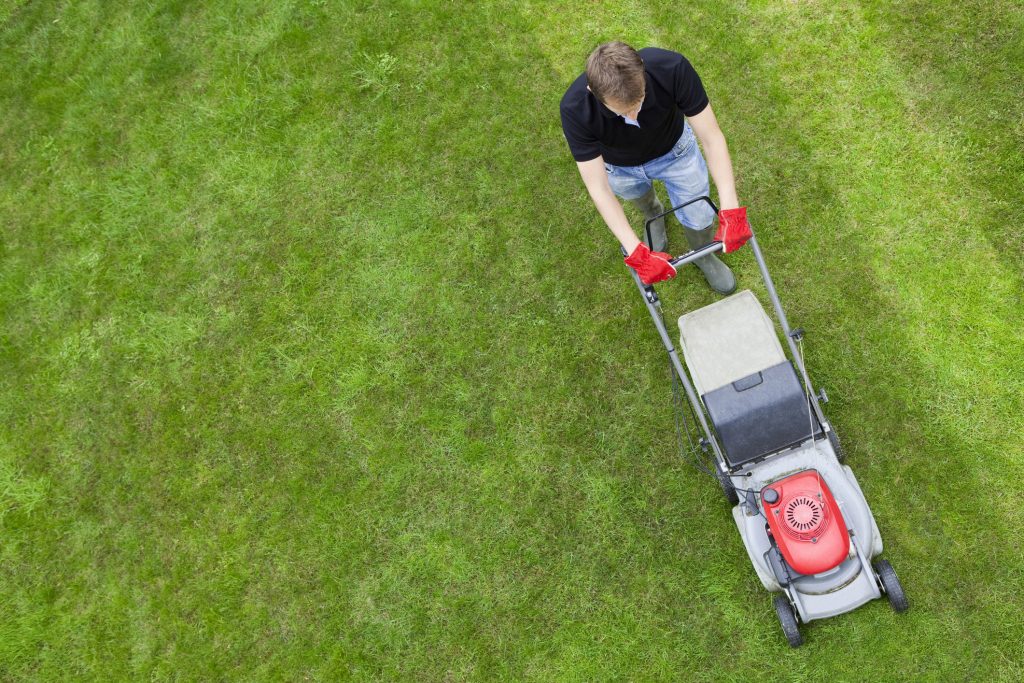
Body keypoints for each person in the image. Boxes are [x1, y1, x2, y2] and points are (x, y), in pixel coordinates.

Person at [560, 42, 752, 291]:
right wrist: (635, 250)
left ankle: (703, 255)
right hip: (620, 168)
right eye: (622, 112)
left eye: (638, 102)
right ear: (592, 91)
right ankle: (653, 214)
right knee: (637, 196)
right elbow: (599, 188)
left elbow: (712, 138)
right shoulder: (575, 108)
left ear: (643, 70)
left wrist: (730, 206)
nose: (633, 117)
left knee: (699, 213)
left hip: (676, 153)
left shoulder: (673, 68)